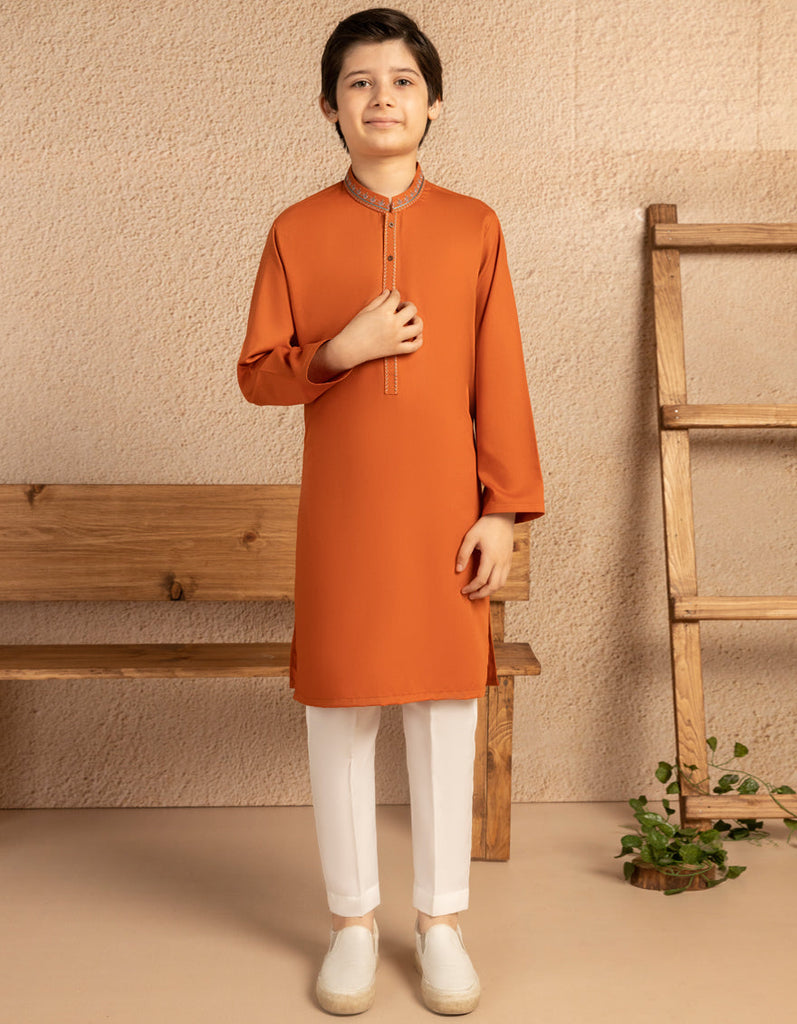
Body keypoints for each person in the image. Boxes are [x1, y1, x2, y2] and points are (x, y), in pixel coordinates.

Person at [237, 8, 544, 1015]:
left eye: (402, 80)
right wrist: (340, 349)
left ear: (433, 102)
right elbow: (258, 373)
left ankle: (441, 923)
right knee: (338, 708)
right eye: (359, 82)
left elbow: (500, 378)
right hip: (343, 519)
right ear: (329, 107)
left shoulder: (474, 227)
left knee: (446, 707)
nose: (382, 98)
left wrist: (502, 512)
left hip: (445, 514)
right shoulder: (294, 230)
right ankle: (352, 924)